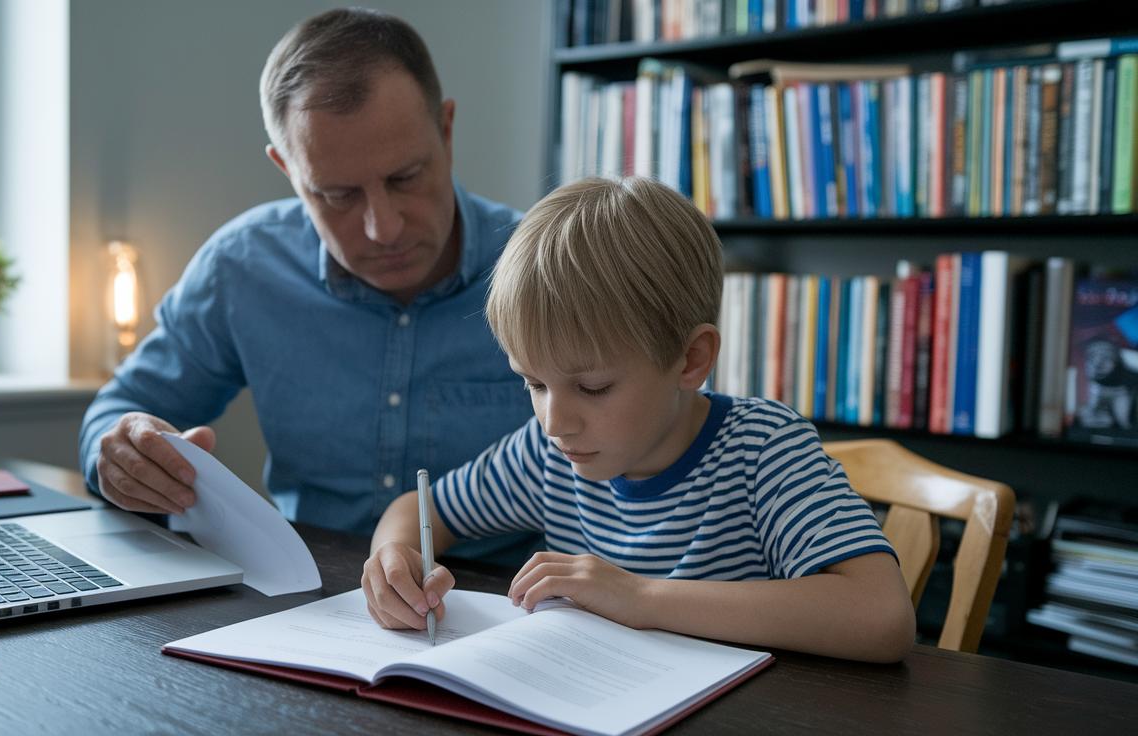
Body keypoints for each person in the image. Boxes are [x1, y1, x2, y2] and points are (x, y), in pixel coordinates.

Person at [361, 177, 917, 663]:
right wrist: (395, 558)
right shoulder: (546, 454)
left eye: (592, 386)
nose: (554, 420)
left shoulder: (762, 450)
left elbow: (881, 615)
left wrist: (642, 597)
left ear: (691, 359)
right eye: (533, 383)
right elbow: (417, 508)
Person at [78, 8, 535, 560]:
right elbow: (122, 409)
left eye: (405, 178)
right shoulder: (242, 267)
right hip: (304, 594)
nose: (382, 227)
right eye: (338, 195)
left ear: (446, 129)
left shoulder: (544, 269)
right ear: (287, 170)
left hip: (502, 604)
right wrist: (125, 453)